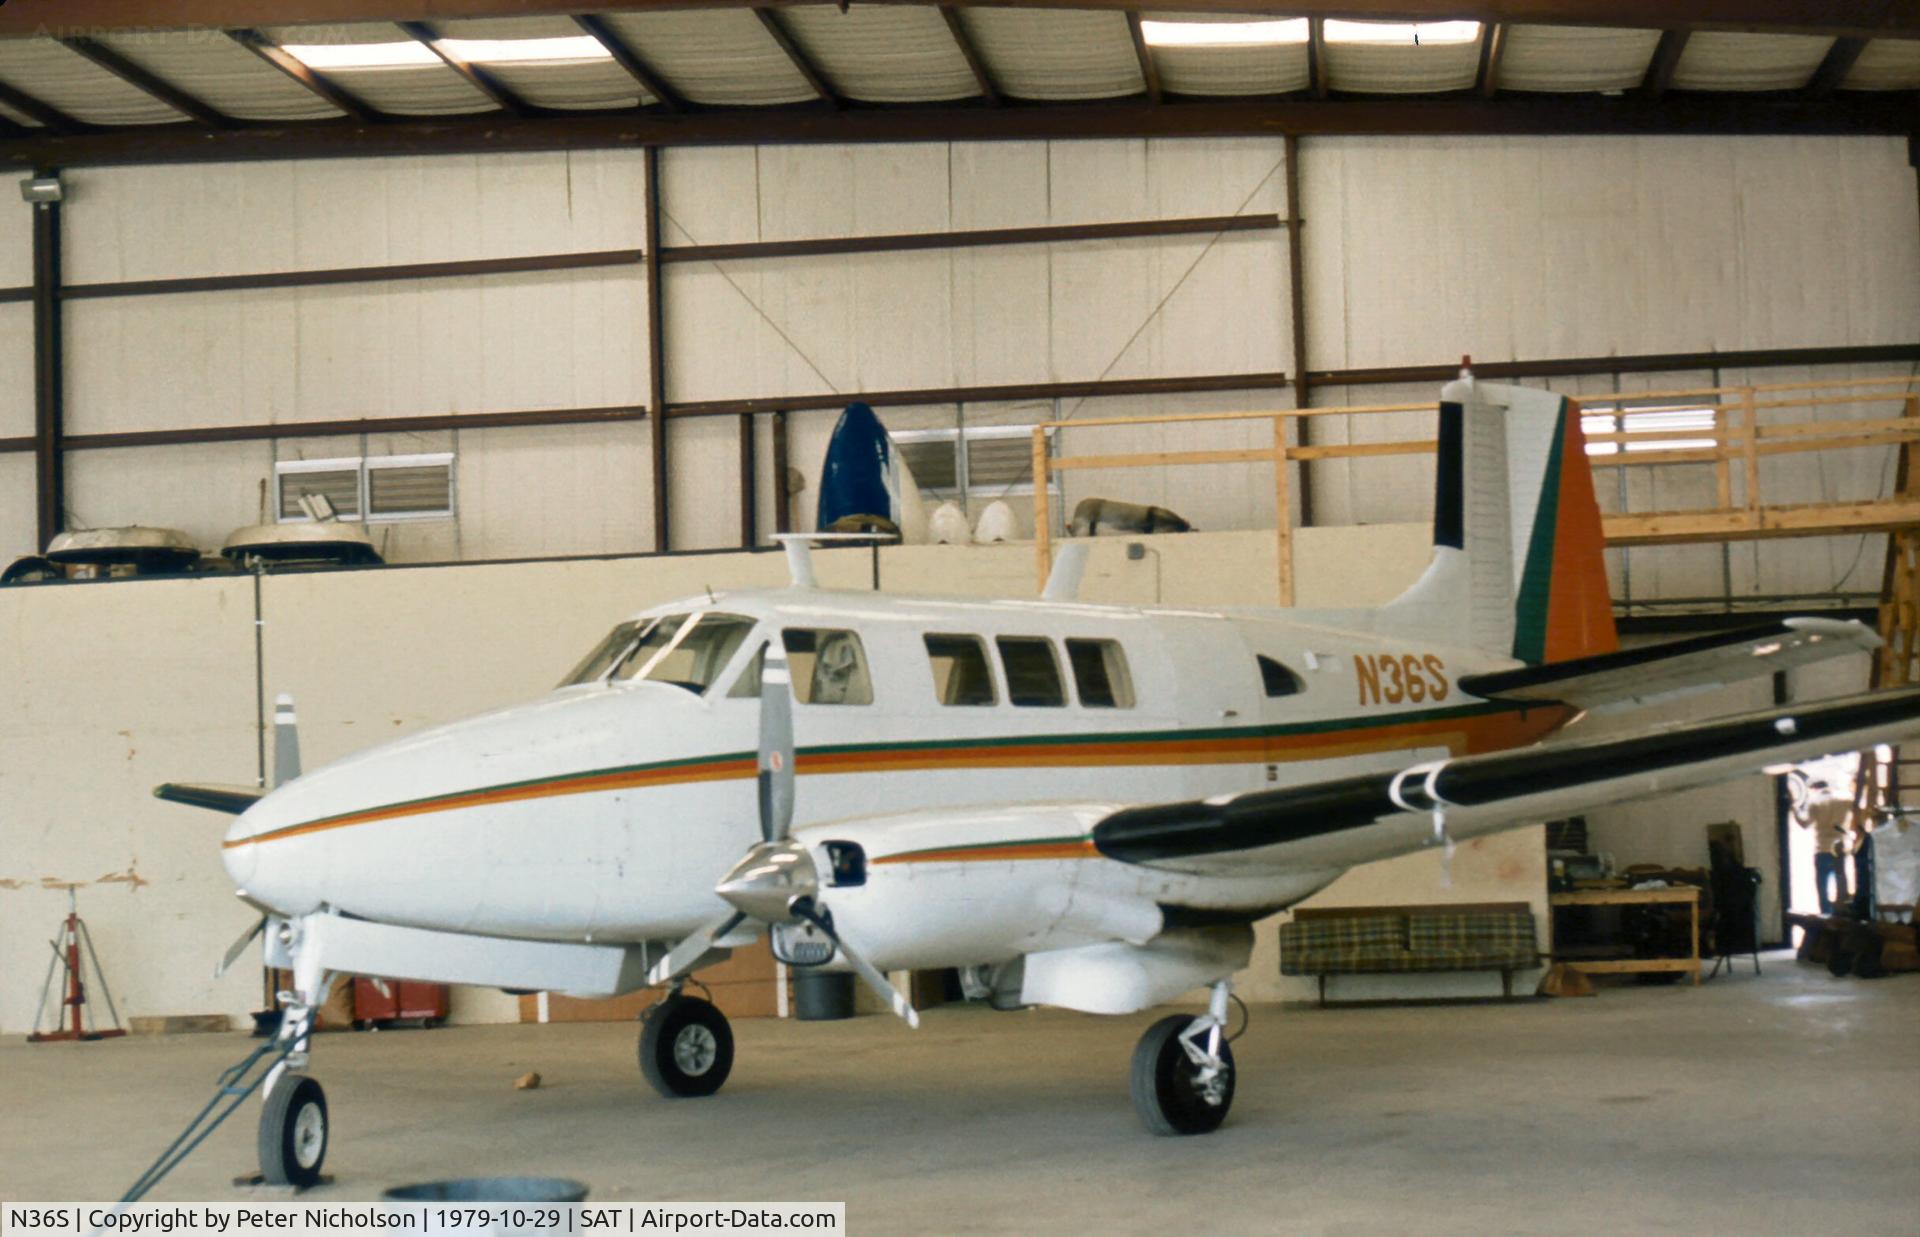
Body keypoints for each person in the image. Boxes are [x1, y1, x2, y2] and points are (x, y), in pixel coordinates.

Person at [1793, 778, 1858, 915]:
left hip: (1821, 849)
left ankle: (1825, 914)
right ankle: (1841, 914)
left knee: (1822, 888)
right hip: (1840, 848)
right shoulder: (1845, 800)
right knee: (1841, 886)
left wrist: (1793, 809)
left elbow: (1804, 824)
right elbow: (1857, 816)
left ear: (1813, 789)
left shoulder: (1814, 802)